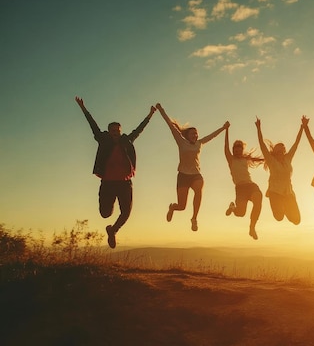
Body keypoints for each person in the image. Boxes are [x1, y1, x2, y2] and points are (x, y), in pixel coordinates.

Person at [75, 96, 155, 249]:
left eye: (117, 131)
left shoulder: (127, 141)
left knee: (126, 213)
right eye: (112, 131)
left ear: (120, 131)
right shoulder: (103, 139)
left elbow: (139, 129)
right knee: (105, 214)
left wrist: (150, 115)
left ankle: (113, 230)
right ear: (109, 131)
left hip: (125, 184)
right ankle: (109, 224)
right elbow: (92, 124)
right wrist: (83, 108)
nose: (115, 133)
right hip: (107, 184)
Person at [156, 103, 228, 232]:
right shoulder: (180, 141)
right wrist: (161, 110)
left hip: (196, 174)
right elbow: (170, 125)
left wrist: (223, 128)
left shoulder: (200, 143)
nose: (195, 135)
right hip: (183, 175)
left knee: (199, 190)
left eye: (196, 134)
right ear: (186, 135)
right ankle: (173, 207)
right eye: (192, 134)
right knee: (182, 206)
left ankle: (194, 218)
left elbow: (212, 136)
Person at [255, 117, 304, 224]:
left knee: (296, 221)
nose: (282, 150)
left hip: (288, 193)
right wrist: (258, 128)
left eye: (283, 148)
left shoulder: (288, 159)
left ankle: (286, 206)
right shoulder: (271, 161)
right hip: (275, 192)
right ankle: (281, 206)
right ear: (275, 151)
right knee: (279, 217)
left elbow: (296, 144)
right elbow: (262, 145)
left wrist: (302, 127)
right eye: (279, 148)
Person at [224, 123, 264, 240]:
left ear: (242, 150)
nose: (237, 151)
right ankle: (233, 208)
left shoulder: (245, 159)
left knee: (258, 199)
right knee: (240, 213)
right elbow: (226, 147)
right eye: (235, 150)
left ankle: (252, 227)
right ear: (233, 151)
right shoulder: (231, 159)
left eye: (239, 149)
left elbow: (262, 158)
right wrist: (226, 130)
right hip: (240, 188)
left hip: (251, 185)